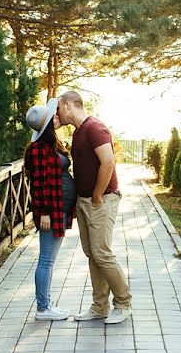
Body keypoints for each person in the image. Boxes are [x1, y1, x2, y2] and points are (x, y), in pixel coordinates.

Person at [56, 90, 132, 324]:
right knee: (93, 255)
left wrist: (98, 195)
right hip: (85, 201)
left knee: (102, 253)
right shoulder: (79, 132)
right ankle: (100, 306)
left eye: (59, 108)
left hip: (102, 199)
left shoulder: (94, 127)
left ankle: (123, 303)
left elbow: (108, 162)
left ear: (68, 105)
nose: (57, 113)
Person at [24, 98, 76, 321]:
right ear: (45, 125)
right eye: (52, 116)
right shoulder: (36, 150)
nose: (57, 116)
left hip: (60, 207)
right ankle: (43, 308)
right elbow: (38, 184)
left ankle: (47, 304)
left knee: (49, 260)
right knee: (46, 259)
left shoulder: (51, 144)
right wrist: (43, 212)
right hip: (50, 210)